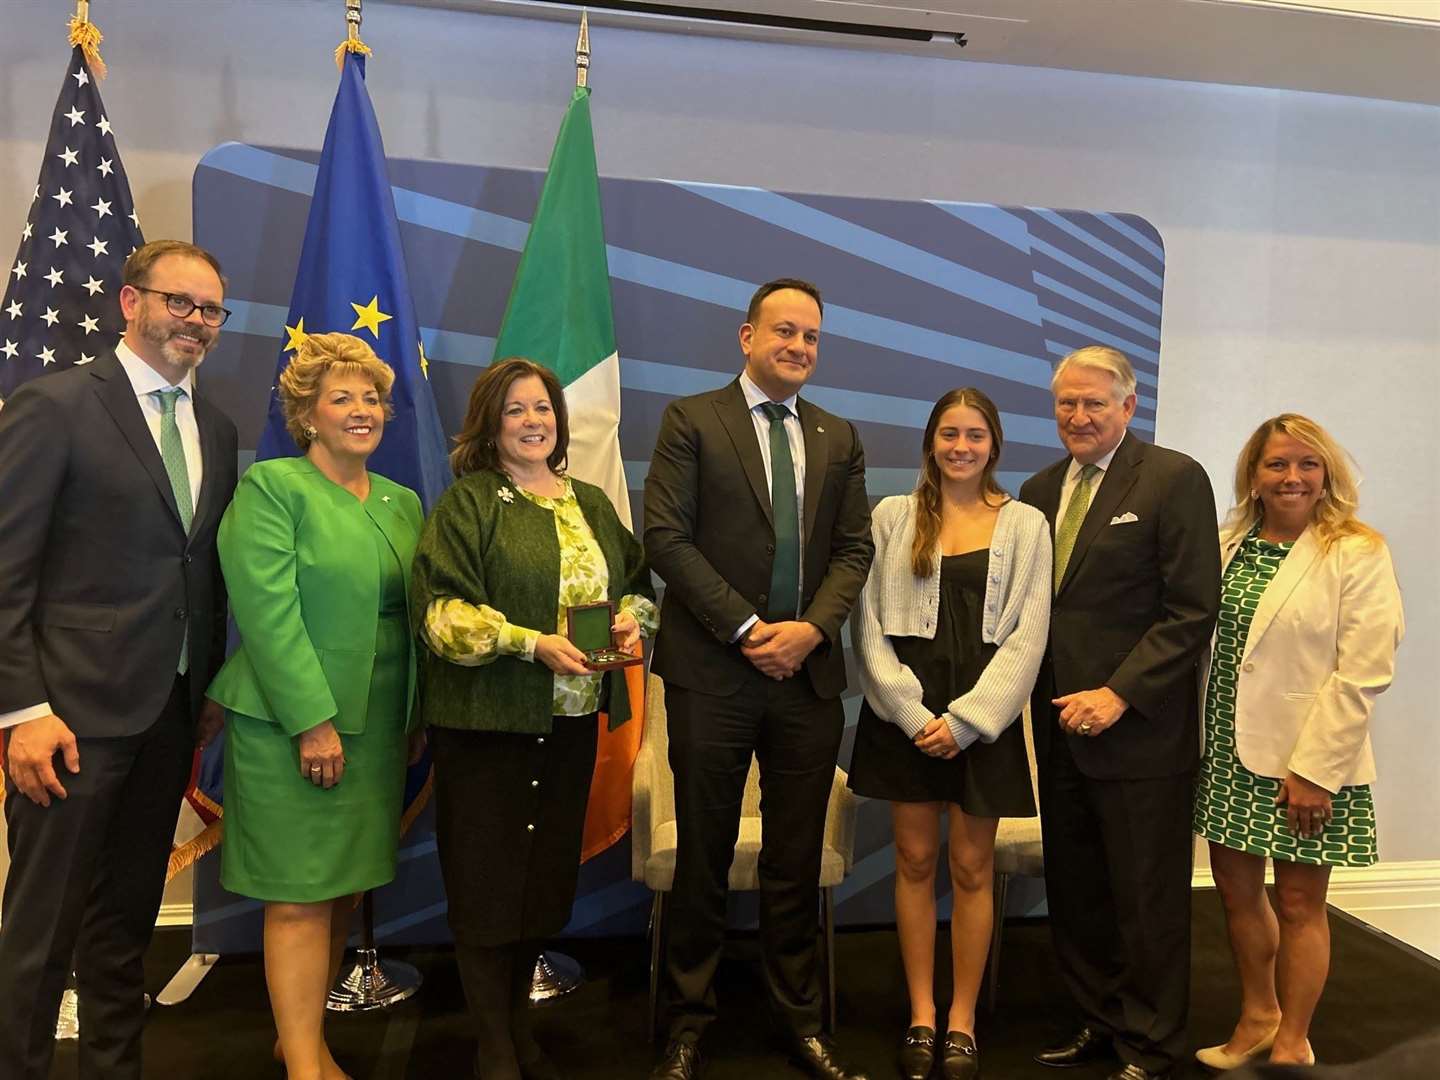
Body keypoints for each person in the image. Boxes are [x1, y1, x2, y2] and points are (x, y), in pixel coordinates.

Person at [0, 240, 238, 1080]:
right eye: (181, 302)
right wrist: (22, 711)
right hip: (67, 723)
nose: (197, 323)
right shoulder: (54, 405)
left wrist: (205, 684)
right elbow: (7, 567)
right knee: (40, 937)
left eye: (211, 310)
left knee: (124, 926)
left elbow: (198, 569)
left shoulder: (216, 426)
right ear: (129, 302)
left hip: (169, 717)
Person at [643, 278, 874, 1080]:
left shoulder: (838, 436)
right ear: (747, 337)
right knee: (704, 855)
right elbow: (666, 540)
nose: (799, 348)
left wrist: (810, 631)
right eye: (784, 331)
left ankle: (799, 1018)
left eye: (811, 336)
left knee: (794, 854)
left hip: (806, 679)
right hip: (713, 674)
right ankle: (686, 1024)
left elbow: (854, 551)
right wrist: (747, 629)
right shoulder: (691, 420)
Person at [410, 358, 656, 1080]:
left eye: (542, 408)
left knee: (541, 887)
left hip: (574, 726)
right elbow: (441, 618)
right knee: (488, 887)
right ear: (491, 423)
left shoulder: (592, 504)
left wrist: (633, 625)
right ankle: (494, 1047)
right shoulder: (469, 505)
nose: (532, 422)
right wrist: (530, 644)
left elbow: (636, 587)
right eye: (515, 410)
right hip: (489, 729)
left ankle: (521, 1033)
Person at [206, 332, 424, 1080]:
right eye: (343, 397)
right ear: (308, 414)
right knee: (299, 895)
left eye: (372, 398)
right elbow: (266, 613)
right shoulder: (273, 488)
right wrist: (313, 722)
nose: (361, 410)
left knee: (341, 886)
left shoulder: (403, 503)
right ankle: (305, 1065)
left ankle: (299, 1039)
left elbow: (414, 616)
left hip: (380, 729)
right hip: (293, 727)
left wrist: (416, 714)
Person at [1019, 345, 1220, 1080]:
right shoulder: (1041, 490)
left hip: (1139, 736)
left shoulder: (1173, 479)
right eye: (1067, 403)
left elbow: (1192, 609)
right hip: (1061, 731)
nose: (1078, 416)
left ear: (1128, 407)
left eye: (1094, 403)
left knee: (1147, 900)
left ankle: (1153, 1045)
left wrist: (1120, 694)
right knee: (1079, 894)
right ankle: (1099, 1021)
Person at [849, 388, 1051, 1080]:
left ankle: (961, 1018)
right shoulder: (892, 515)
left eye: (975, 436)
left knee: (970, 868)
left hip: (981, 719)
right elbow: (868, 624)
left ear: (994, 445)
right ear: (930, 440)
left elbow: (1029, 636)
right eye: (948, 434)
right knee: (912, 862)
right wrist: (910, 712)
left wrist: (966, 722)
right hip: (903, 716)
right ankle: (921, 1013)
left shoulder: (1025, 523)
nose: (961, 447)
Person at [1193, 414, 1403, 1071]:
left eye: (1306, 465)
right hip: (1227, 751)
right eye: (1276, 465)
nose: (1291, 477)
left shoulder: (1357, 550)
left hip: (1307, 761)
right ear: (1252, 477)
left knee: (1300, 904)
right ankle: (1259, 1017)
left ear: (1326, 475)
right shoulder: (1228, 541)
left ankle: (1293, 1043)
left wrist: (1315, 770)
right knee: (1235, 893)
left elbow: (1365, 668)